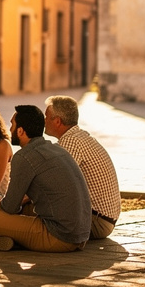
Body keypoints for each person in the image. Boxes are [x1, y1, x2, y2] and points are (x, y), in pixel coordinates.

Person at [0, 105, 91, 252]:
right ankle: (8, 239)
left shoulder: (24, 156)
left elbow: (10, 207)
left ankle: (4, 240)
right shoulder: (56, 149)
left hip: (58, 237)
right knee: (24, 209)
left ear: (20, 131)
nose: (10, 129)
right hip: (81, 236)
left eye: (12, 125)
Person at [44, 94, 121, 239]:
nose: (44, 121)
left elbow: (55, 184)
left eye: (46, 117)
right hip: (104, 219)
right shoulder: (79, 136)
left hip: (97, 222)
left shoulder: (70, 142)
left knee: (31, 211)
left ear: (58, 121)